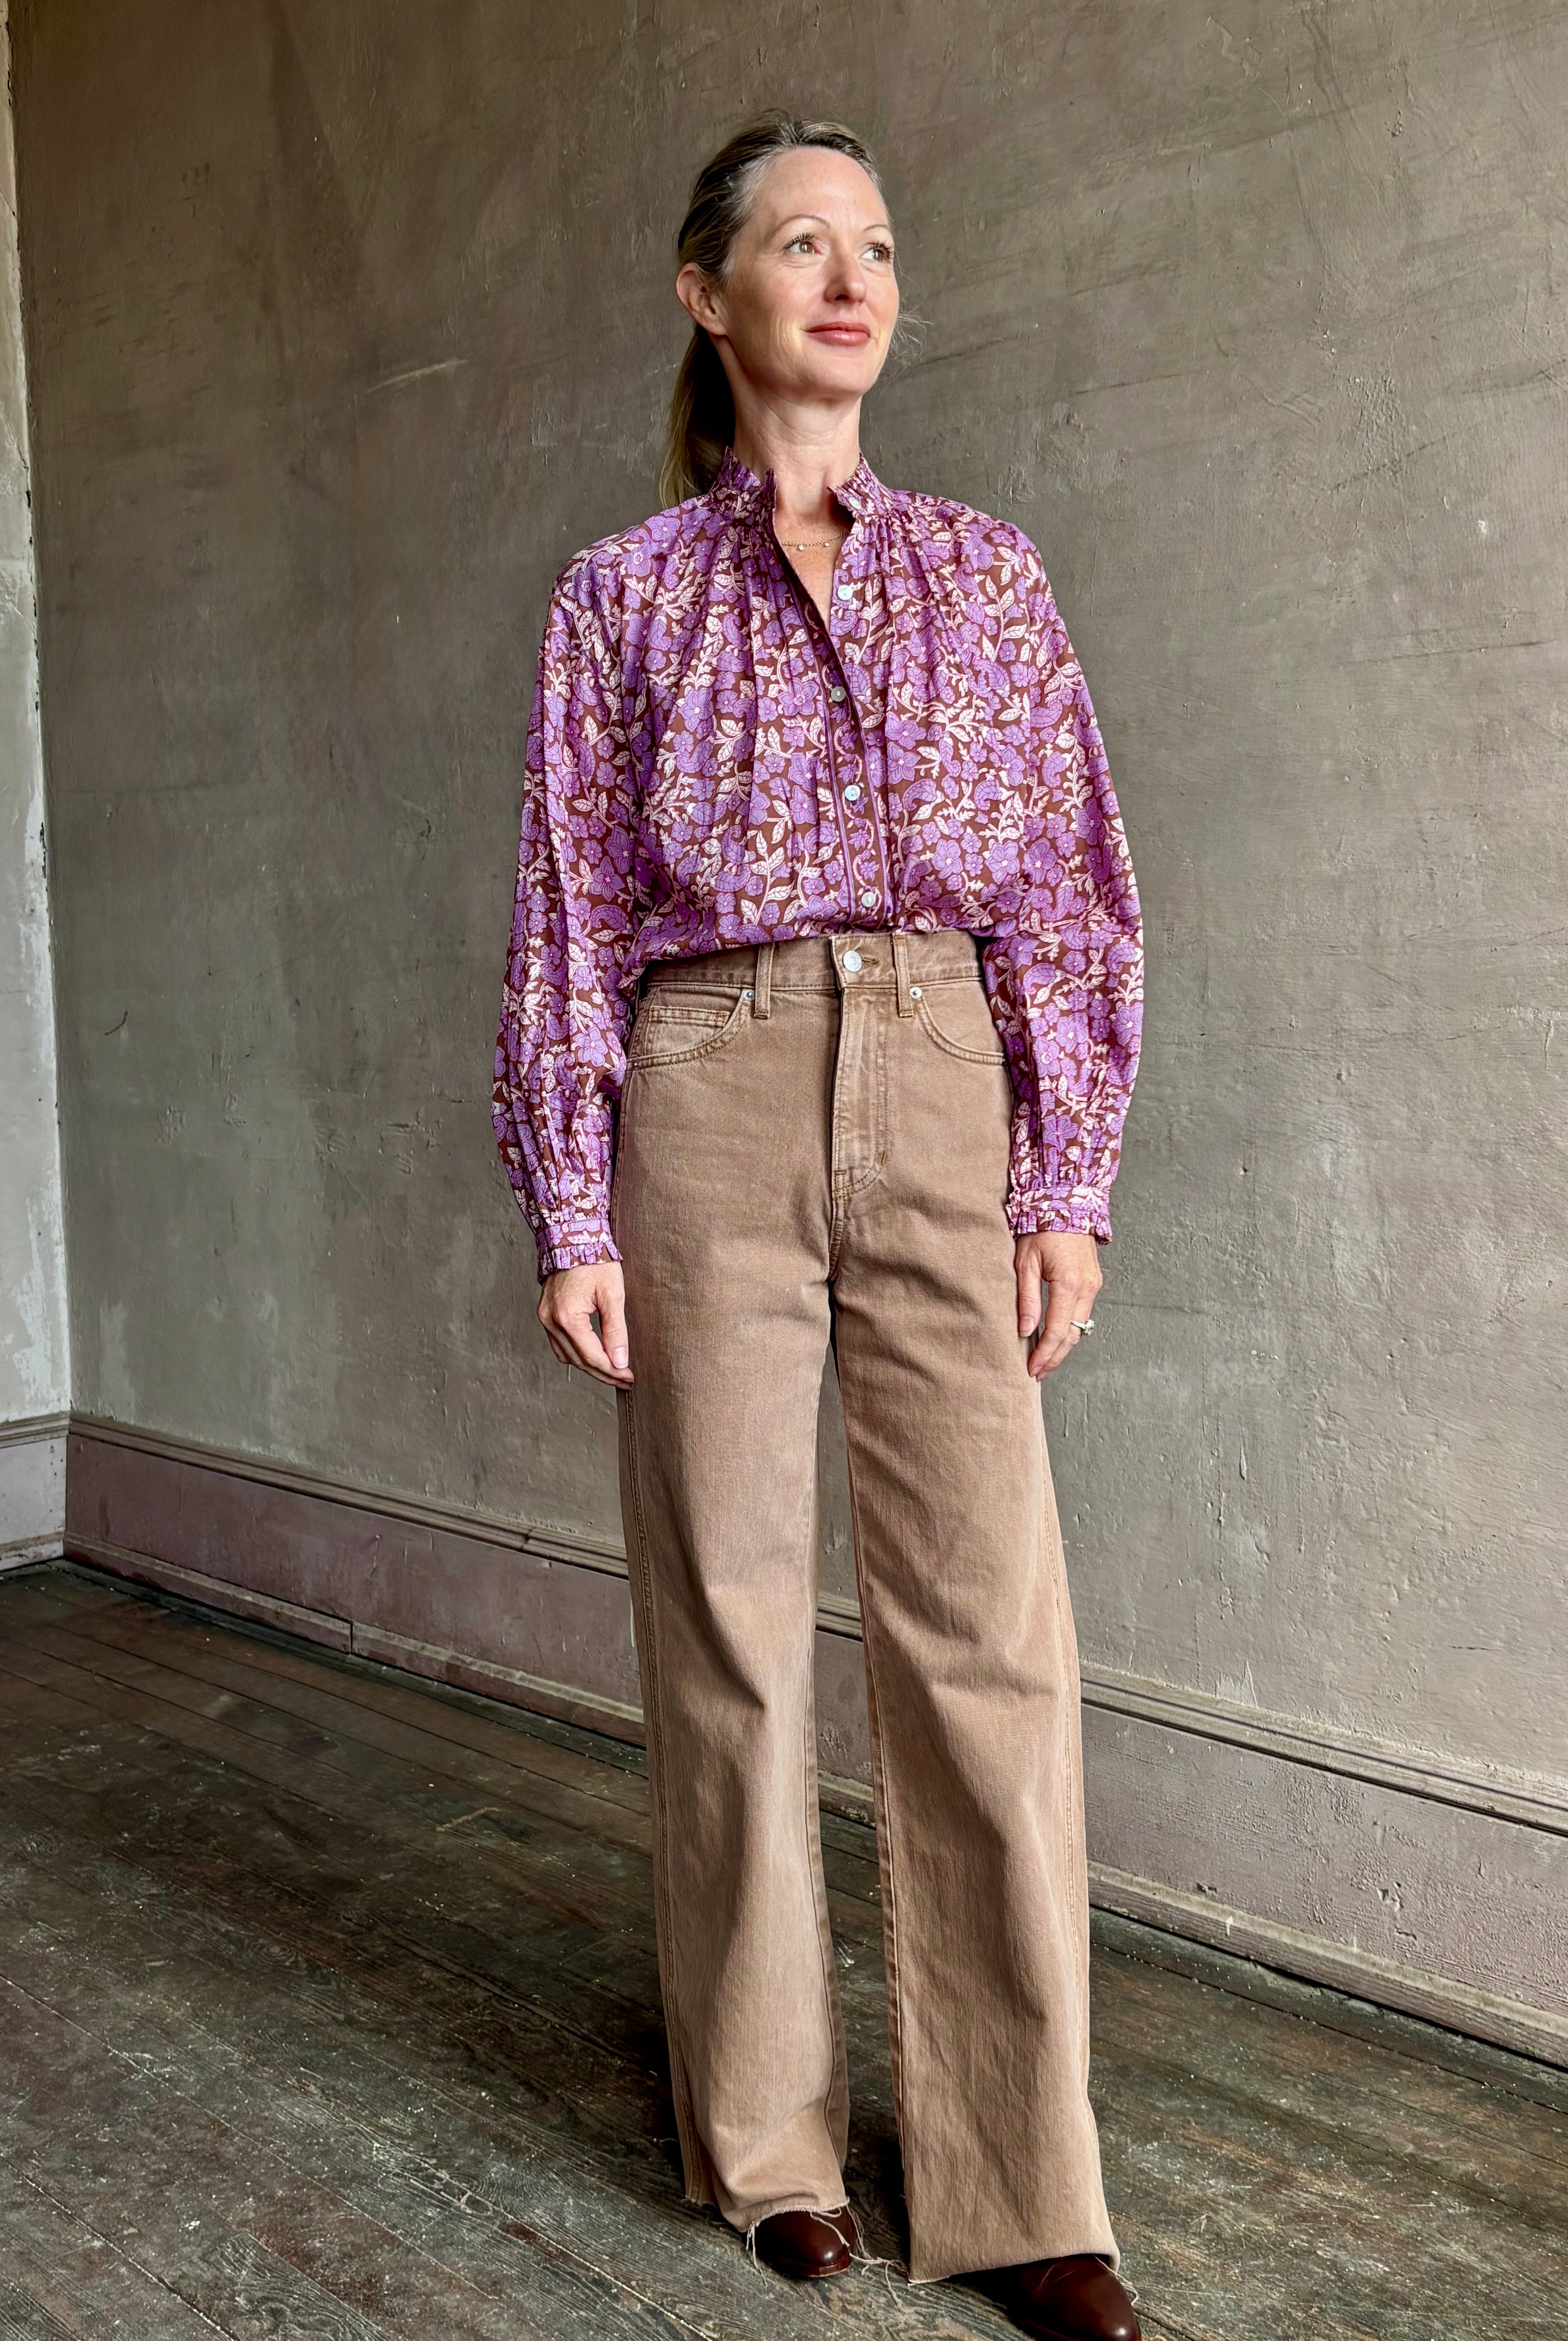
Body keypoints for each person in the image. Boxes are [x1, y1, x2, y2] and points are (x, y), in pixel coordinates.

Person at [492, 110, 1146, 2341]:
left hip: (946, 1067)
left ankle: (1022, 2182)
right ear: (711, 292)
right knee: (733, 1628)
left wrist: (1062, 1173)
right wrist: (572, 1195)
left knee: (987, 1635)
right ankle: (767, 2140)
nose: (847, 276)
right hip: (712, 1081)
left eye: (874, 243)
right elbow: (568, 916)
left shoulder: (988, 571)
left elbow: (1063, 888)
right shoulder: (620, 595)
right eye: (797, 242)